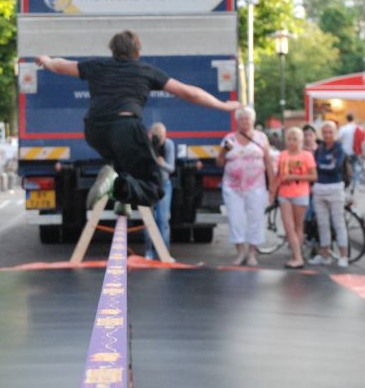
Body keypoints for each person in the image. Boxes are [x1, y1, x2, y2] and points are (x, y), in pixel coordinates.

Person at [36, 30, 240, 212]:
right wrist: (222, 105)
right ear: (137, 52)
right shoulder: (145, 70)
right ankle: (113, 185)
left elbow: (60, 66)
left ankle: (121, 199)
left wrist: (46, 60)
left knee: (125, 166)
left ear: (113, 51)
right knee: (154, 186)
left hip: (94, 131)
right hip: (124, 127)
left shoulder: (96, 65)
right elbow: (189, 93)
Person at [217, 106, 275, 267]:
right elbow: (219, 162)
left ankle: (252, 253)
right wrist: (224, 151)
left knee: (256, 219)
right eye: (241, 119)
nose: (244, 121)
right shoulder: (229, 139)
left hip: (256, 186)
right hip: (232, 187)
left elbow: (268, 163)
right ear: (237, 121)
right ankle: (240, 252)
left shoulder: (261, 137)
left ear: (253, 121)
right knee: (236, 219)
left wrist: (272, 186)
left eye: (247, 119)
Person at [270, 127, 317, 269]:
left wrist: (294, 176)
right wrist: (272, 193)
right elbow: (278, 176)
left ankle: (297, 256)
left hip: (300, 193)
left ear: (301, 140)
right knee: (288, 226)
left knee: (298, 226)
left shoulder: (306, 155)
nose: (291, 142)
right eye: (289, 139)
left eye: (295, 139)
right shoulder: (282, 155)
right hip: (284, 193)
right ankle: (297, 256)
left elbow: (313, 176)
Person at [310, 120, 349, 268]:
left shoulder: (339, 148)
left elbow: (335, 167)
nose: (327, 135)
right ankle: (325, 255)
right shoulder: (319, 149)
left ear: (335, 133)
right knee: (322, 224)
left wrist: (320, 166)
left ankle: (343, 256)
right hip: (319, 188)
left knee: (338, 223)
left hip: (335, 188)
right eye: (325, 132)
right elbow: (314, 167)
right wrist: (323, 166)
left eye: (330, 132)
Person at [144, 122, 175, 260]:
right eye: (158, 136)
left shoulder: (168, 145)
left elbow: (171, 168)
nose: (160, 140)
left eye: (163, 136)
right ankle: (149, 251)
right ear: (151, 135)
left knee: (163, 218)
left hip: (163, 184)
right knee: (149, 218)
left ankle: (164, 251)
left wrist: (162, 164)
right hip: (148, 184)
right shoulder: (146, 145)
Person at [338, 113, 359, 189]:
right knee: (354, 168)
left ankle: (347, 185)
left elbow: (338, 139)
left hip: (345, 152)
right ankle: (353, 186)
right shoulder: (357, 128)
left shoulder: (344, 128)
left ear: (346, 119)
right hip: (355, 152)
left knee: (345, 169)